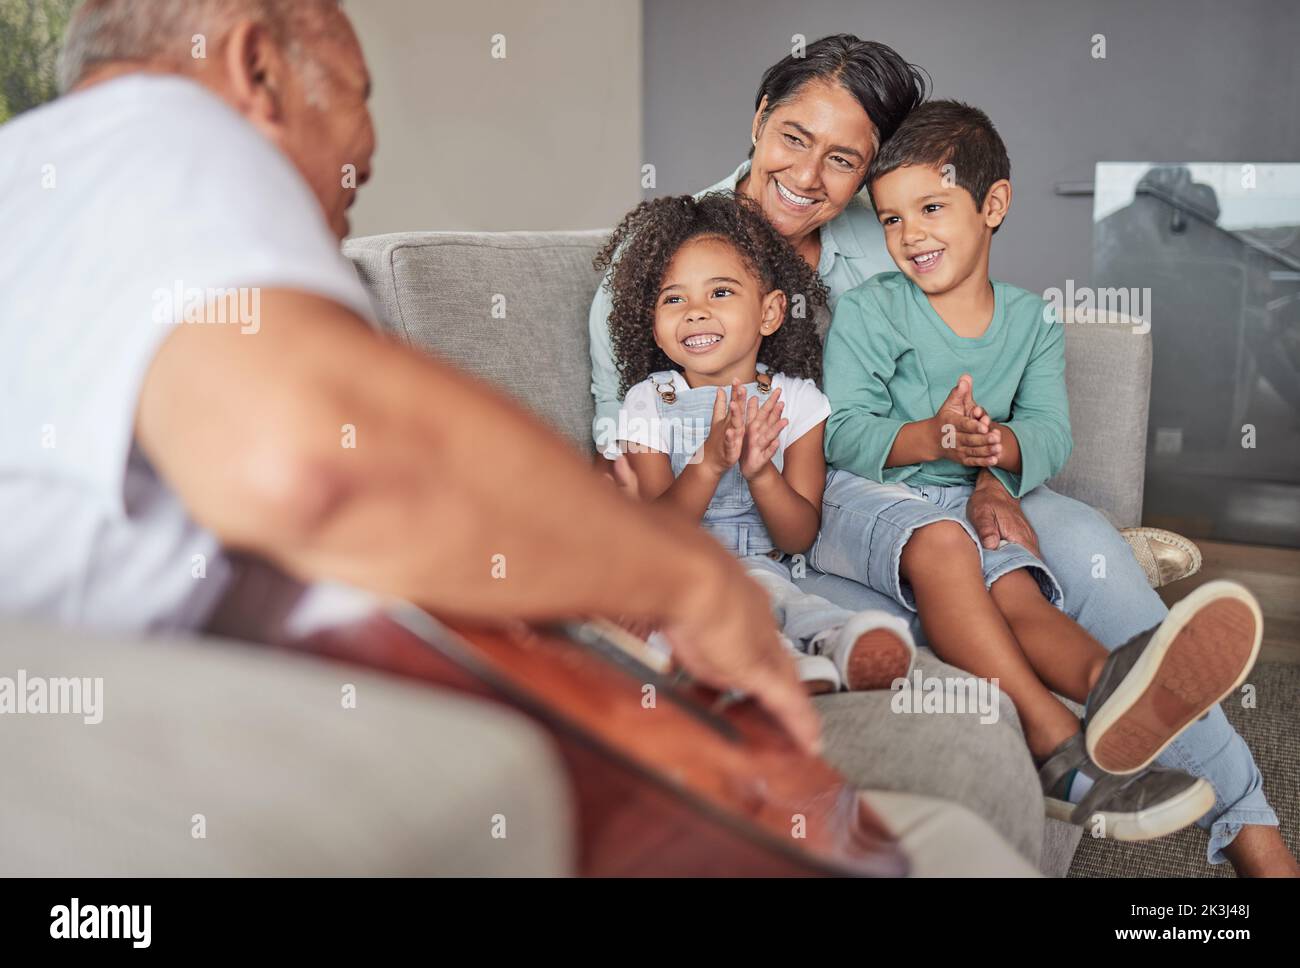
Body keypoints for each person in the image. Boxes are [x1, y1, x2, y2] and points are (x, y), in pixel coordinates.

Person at [816, 100, 1290, 864]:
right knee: (973, 569)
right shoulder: (872, 311)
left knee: (1020, 594)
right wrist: (934, 435)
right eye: (892, 218)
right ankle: (1094, 703)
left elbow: (1049, 430)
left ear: (993, 204)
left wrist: (998, 449)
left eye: (931, 208)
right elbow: (841, 433)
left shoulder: (1031, 321)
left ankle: (1121, 684)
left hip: (974, 504)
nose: (909, 236)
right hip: (888, 499)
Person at [603, 192, 916, 694]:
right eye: (673, 299)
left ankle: (842, 640)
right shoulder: (650, 402)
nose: (695, 312)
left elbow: (797, 538)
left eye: (720, 292)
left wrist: (761, 473)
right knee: (682, 617)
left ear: (770, 312)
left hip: (758, 565)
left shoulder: (797, 402)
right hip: (679, 568)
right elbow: (658, 532)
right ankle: (769, 663)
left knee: (779, 595)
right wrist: (707, 464)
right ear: (655, 329)